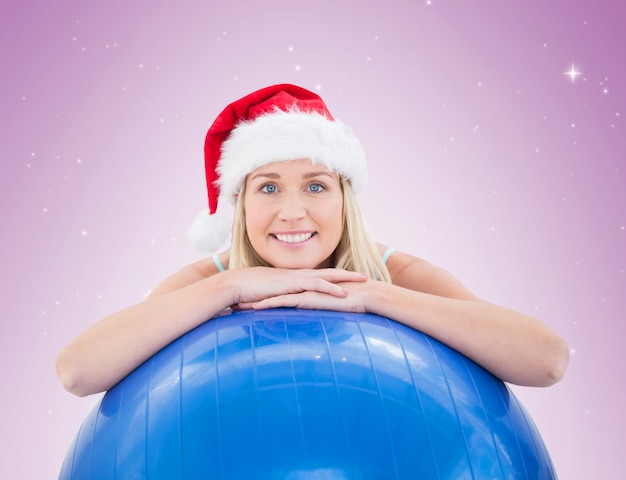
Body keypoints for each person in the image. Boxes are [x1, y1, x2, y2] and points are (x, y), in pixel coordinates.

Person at [56, 84, 569, 397]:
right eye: (269, 187)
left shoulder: (399, 273)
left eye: (316, 186)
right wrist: (233, 286)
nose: (292, 211)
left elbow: (546, 360)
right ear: (240, 203)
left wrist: (371, 295)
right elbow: (77, 372)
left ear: (345, 198)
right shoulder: (206, 282)